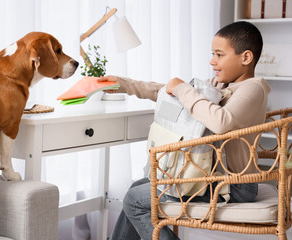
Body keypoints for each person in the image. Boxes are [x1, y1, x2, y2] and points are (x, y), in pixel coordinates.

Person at [99, 21, 271, 240]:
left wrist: (182, 89)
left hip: (233, 186)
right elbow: (170, 93)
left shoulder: (253, 88)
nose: (212, 61)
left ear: (246, 58)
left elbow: (221, 121)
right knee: (137, 187)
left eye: (219, 54)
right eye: (212, 54)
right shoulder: (221, 86)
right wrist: (124, 84)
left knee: (135, 199)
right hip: (209, 177)